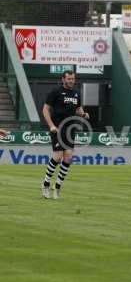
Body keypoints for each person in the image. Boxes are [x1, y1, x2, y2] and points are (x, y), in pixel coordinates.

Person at [41, 70, 89, 199]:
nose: (71, 81)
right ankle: (46, 184)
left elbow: (78, 109)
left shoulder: (77, 93)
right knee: (57, 157)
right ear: (63, 79)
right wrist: (51, 125)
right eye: (68, 79)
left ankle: (57, 187)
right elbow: (45, 110)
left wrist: (83, 114)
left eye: (73, 78)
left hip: (70, 129)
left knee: (68, 157)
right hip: (57, 128)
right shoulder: (55, 91)